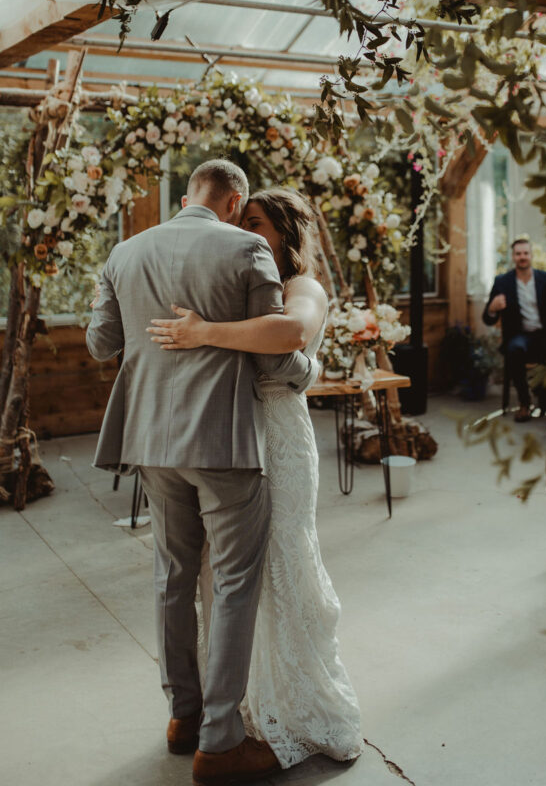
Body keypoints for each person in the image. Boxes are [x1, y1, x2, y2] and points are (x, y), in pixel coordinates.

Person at [87, 161, 319, 786]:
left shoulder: (125, 251)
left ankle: (182, 718)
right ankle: (219, 745)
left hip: (152, 443)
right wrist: (307, 373)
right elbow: (275, 365)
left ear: (187, 196)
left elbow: (102, 343)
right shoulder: (248, 250)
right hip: (224, 443)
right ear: (234, 199)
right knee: (236, 584)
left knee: (172, 576)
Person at [146, 187, 363, 772]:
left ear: (286, 235)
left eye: (256, 224)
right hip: (229, 438)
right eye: (240, 222)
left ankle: (290, 708)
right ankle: (230, 708)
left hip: (280, 440)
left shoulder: (303, 288)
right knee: (225, 575)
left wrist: (203, 331)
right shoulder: (240, 282)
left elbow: (291, 334)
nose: (244, 233)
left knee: (282, 561)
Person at [482, 236, 546, 421]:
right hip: (519, 336)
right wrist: (492, 308)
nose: (522, 257)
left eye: (526, 253)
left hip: (544, 334)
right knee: (514, 350)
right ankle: (525, 403)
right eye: (518, 254)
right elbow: (486, 318)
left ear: (531, 255)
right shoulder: (502, 282)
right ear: (513, 257)